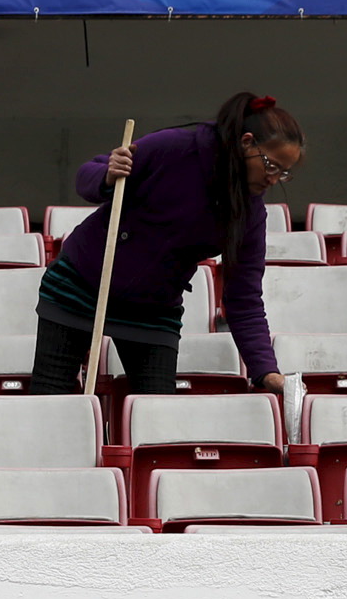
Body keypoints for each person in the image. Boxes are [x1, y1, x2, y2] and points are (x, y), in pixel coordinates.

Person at [27, 92, 304, 400]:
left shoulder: (250, 214)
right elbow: (87, 175)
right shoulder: (174, 147)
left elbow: (244, 298)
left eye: (283, 173)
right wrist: (107, 174)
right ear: (247, 142)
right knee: (50, 402)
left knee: (158, 417)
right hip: (79, 287)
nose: (273, 178)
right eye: (270, 165)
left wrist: (266, 371)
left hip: (154, 310)